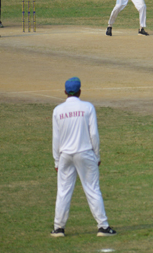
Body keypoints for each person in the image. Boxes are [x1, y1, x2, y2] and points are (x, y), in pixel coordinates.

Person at [51, 77, 116, 238]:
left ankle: (58, 228)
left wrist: (56, 161)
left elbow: (56, 139)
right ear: (80, 91)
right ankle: (103, 227)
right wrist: (97, 155)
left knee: (63, 191)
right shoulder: (87, 107)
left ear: (65, 92)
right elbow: (93, 134)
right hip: (85, 152)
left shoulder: (58, 110)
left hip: (65, 155)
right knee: (92, 190)